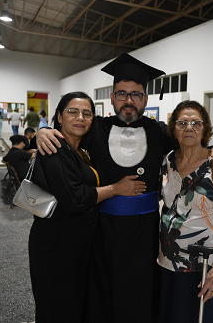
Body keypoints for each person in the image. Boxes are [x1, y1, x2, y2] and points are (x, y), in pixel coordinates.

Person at [36, 53, 213, 323]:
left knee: (140, 295)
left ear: (145, 100)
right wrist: (43, 131)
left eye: (136, 95)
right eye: (122, 94)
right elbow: (70, 133)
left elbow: (191, 140)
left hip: (145, 233)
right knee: (102, 292)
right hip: (102, 230)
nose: (128, 101)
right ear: (113, 97)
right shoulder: (96, 129)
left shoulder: (160, 132)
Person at [28, 92, 143, 322]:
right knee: (57, 309)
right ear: (59, 117)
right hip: (56, 247)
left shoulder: (79, 149)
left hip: (76, 246)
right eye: (73, 111)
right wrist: (116, 189)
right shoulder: (54, 149)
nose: (80, 117)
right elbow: (74, 198)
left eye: (87, 113)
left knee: (74, 307)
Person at [158, 100, 213, 323]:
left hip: (203, 267)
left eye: (196, 123)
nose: (189, 128)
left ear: (205, 129)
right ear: (173, 129)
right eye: (182, 123)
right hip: (167, 262)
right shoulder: (167, 161)